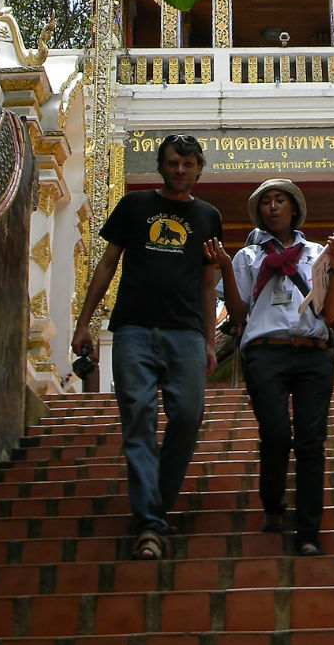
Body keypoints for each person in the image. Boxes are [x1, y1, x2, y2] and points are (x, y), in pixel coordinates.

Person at [71, 133, 223, 560]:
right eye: (173, 162)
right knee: (138, 420)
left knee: (189, 416)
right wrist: (85, 322)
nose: (180, 169)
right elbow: (106, 264)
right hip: (134, 329)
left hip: (186, 333)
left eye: (188, 163)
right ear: (161, 165)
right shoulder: (135, 206)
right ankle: (150, 524)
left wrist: (210, 340)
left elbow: (207, 284)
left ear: (198, 168)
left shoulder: (209, 217)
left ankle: (154, 503)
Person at [205, 178, 334, 556]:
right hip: (265, 353)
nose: (272, 207)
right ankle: (272, 502)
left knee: (311, 442)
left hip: (312, 352)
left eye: (279, 200)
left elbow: (330, 314)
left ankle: (308, 532)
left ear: (294, 208)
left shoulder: (318, 252)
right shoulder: (247, 258)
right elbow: (237, 315)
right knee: (277, 433)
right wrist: (222, 268)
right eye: (265, 202)